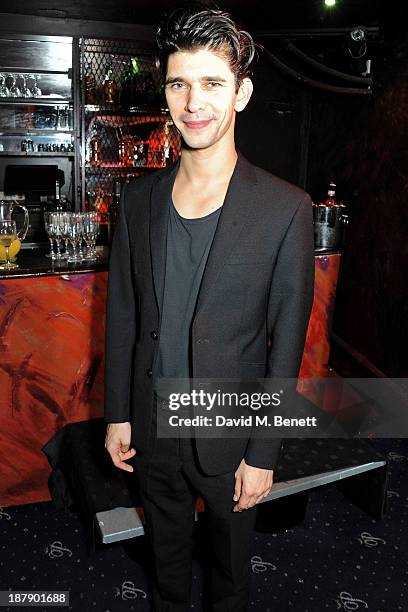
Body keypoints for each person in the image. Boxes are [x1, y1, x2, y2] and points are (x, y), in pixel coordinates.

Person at [104, 5, 315, 611]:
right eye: (179, 83)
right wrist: (118, 413)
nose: (194, 102)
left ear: (242, 94)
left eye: (213, 83)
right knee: (164, 566)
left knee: (228, 574)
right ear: (166, 91)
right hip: (151, 425)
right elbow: (122, 318)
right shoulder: (137, 200)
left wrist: (263, 452)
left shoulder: (284, 209)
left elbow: (286, 342)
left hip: (230, 434)